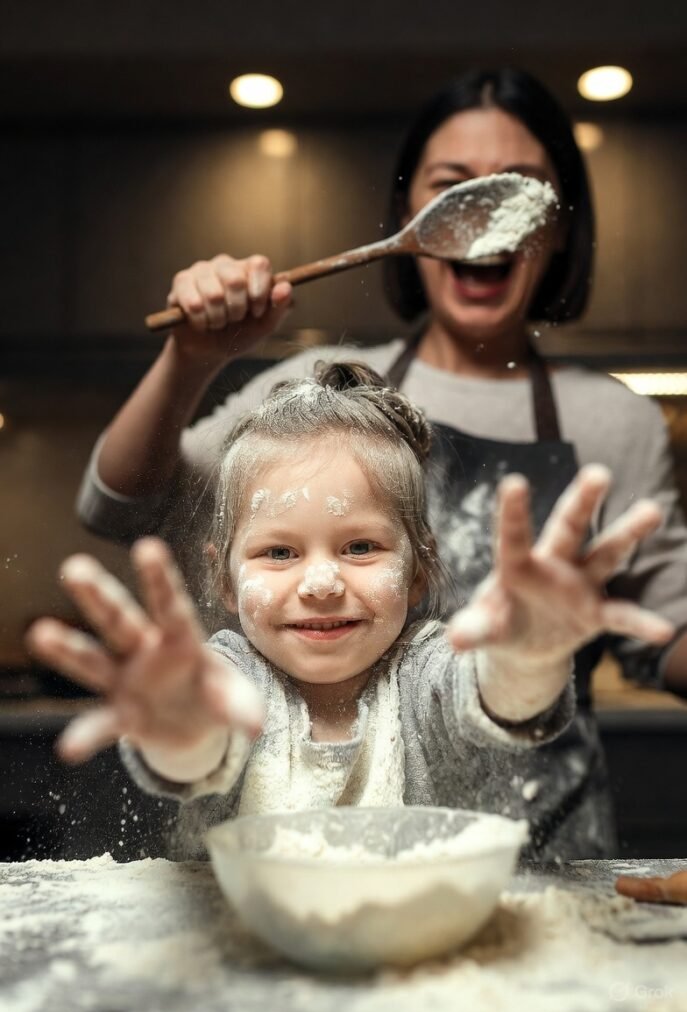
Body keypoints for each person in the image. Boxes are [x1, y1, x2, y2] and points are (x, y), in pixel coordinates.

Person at [75, 68, 687, 855]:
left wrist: (530, 651)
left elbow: (664, 629)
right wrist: (190, 358)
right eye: (453, 188)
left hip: (546, 853)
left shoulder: (612, 418)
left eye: (521, 189)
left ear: (559, 227)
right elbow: (120, 506)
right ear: (409, 216)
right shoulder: (315, 393)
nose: (323, 578)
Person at [29, 363, 672, 861]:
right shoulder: (229, 671)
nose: (321, 582)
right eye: (278, 551)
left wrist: (529, 654)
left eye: (359, 547)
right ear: (225, 579)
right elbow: (203, 741)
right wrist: (179, 720)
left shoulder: (423, 670)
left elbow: (494, 696)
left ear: (418, 570)